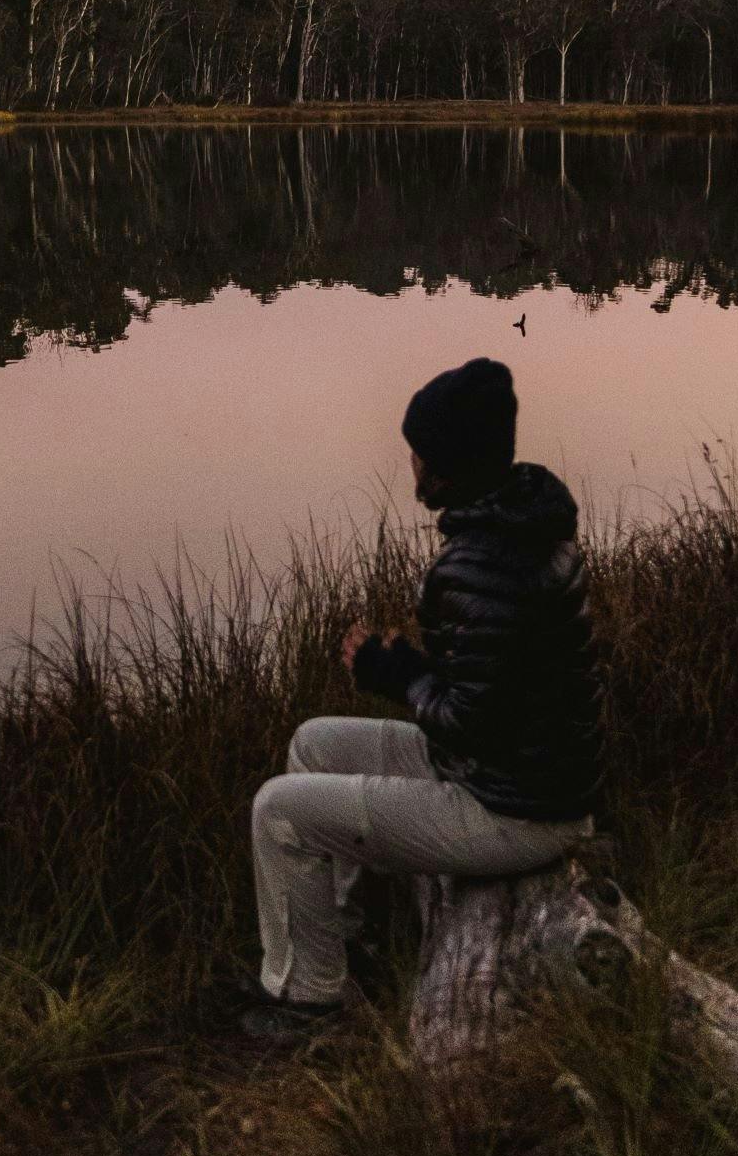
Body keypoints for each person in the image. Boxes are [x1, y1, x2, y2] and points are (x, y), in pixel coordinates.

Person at [242, 355, 604, 1038]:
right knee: (313, 741)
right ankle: (345, 941)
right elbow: (495, 696)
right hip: (520, 779)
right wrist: (408, 669)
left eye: (418, 451)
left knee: (278, 813)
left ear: (446, 465)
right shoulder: (522, 524)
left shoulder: (481, 562)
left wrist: (397, 673)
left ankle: (311, 1002)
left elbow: (474, 723)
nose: (409, 462)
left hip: (515, 812)